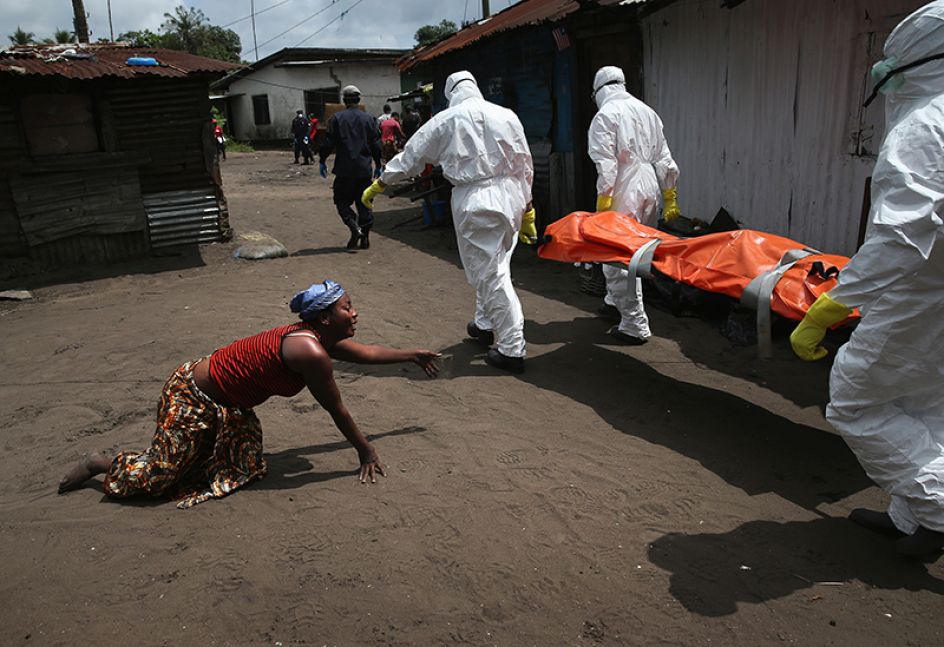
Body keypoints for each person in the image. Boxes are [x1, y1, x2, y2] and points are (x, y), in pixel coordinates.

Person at [57, 281, 441, 508]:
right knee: (159, 478)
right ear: (324, 318)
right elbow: (335, 408)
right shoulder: (310, 351)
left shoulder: (317, 338)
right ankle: (98, 463)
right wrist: (366, 450)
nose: (354, 313)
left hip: (230, 405)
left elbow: (368, 354)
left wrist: (413, 355)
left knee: (241, 466)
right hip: (191, 396)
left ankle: (196, 453)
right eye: (347, 308)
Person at [790, 1, 944, 558]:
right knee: (926, 403)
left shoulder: (925, 126)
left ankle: (937, 508)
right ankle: (914, 519)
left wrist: (832, 304)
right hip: (934, 292)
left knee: (855, 399)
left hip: (919, 292)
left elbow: (901, 239)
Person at [360, 71, 537, 374]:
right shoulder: (506, 115)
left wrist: (381, 182)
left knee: (490, 274)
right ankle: (484, 324)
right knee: (495, 264)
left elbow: (412, 156)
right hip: (512, 197)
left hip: (477, 200)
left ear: (450, 92)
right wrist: (529, 209)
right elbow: (525, 162)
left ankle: (511, 348)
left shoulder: (447, 119)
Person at [588, 65, 681, 346]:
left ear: (600, 90)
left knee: (619, 257)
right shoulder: (648, 112)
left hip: (623, 187)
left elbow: (606, 164)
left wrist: (604, 200)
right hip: (650, 184)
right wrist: (669, 195)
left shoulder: (605, 115)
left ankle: (634, 324)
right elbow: (665, 157)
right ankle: (613, 302)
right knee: (637, 251)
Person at [319, 85, 382, 250]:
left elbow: (328, 143)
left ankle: (354, 226)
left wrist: (322, 160)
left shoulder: (336, 119)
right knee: (365, 203)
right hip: (363, 170)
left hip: (344, 170)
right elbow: (376, 145)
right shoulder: (369, 119)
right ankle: (365, 239)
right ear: (358, 99)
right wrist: (378, 164)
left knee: (341, 201)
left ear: (344, 100)